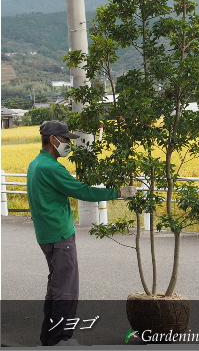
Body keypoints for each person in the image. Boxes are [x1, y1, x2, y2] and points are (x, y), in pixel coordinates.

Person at [27, 120, 137, 346]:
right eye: (66, 139)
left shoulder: (35, 164)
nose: (68, 143)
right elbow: (82, 191)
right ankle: (61, 339)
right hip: (59, 236)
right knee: (66, 290)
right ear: (52, 140)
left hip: (46, 235)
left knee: (55, 289)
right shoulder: (52, 168)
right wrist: (118, 192)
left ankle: (48, 338)